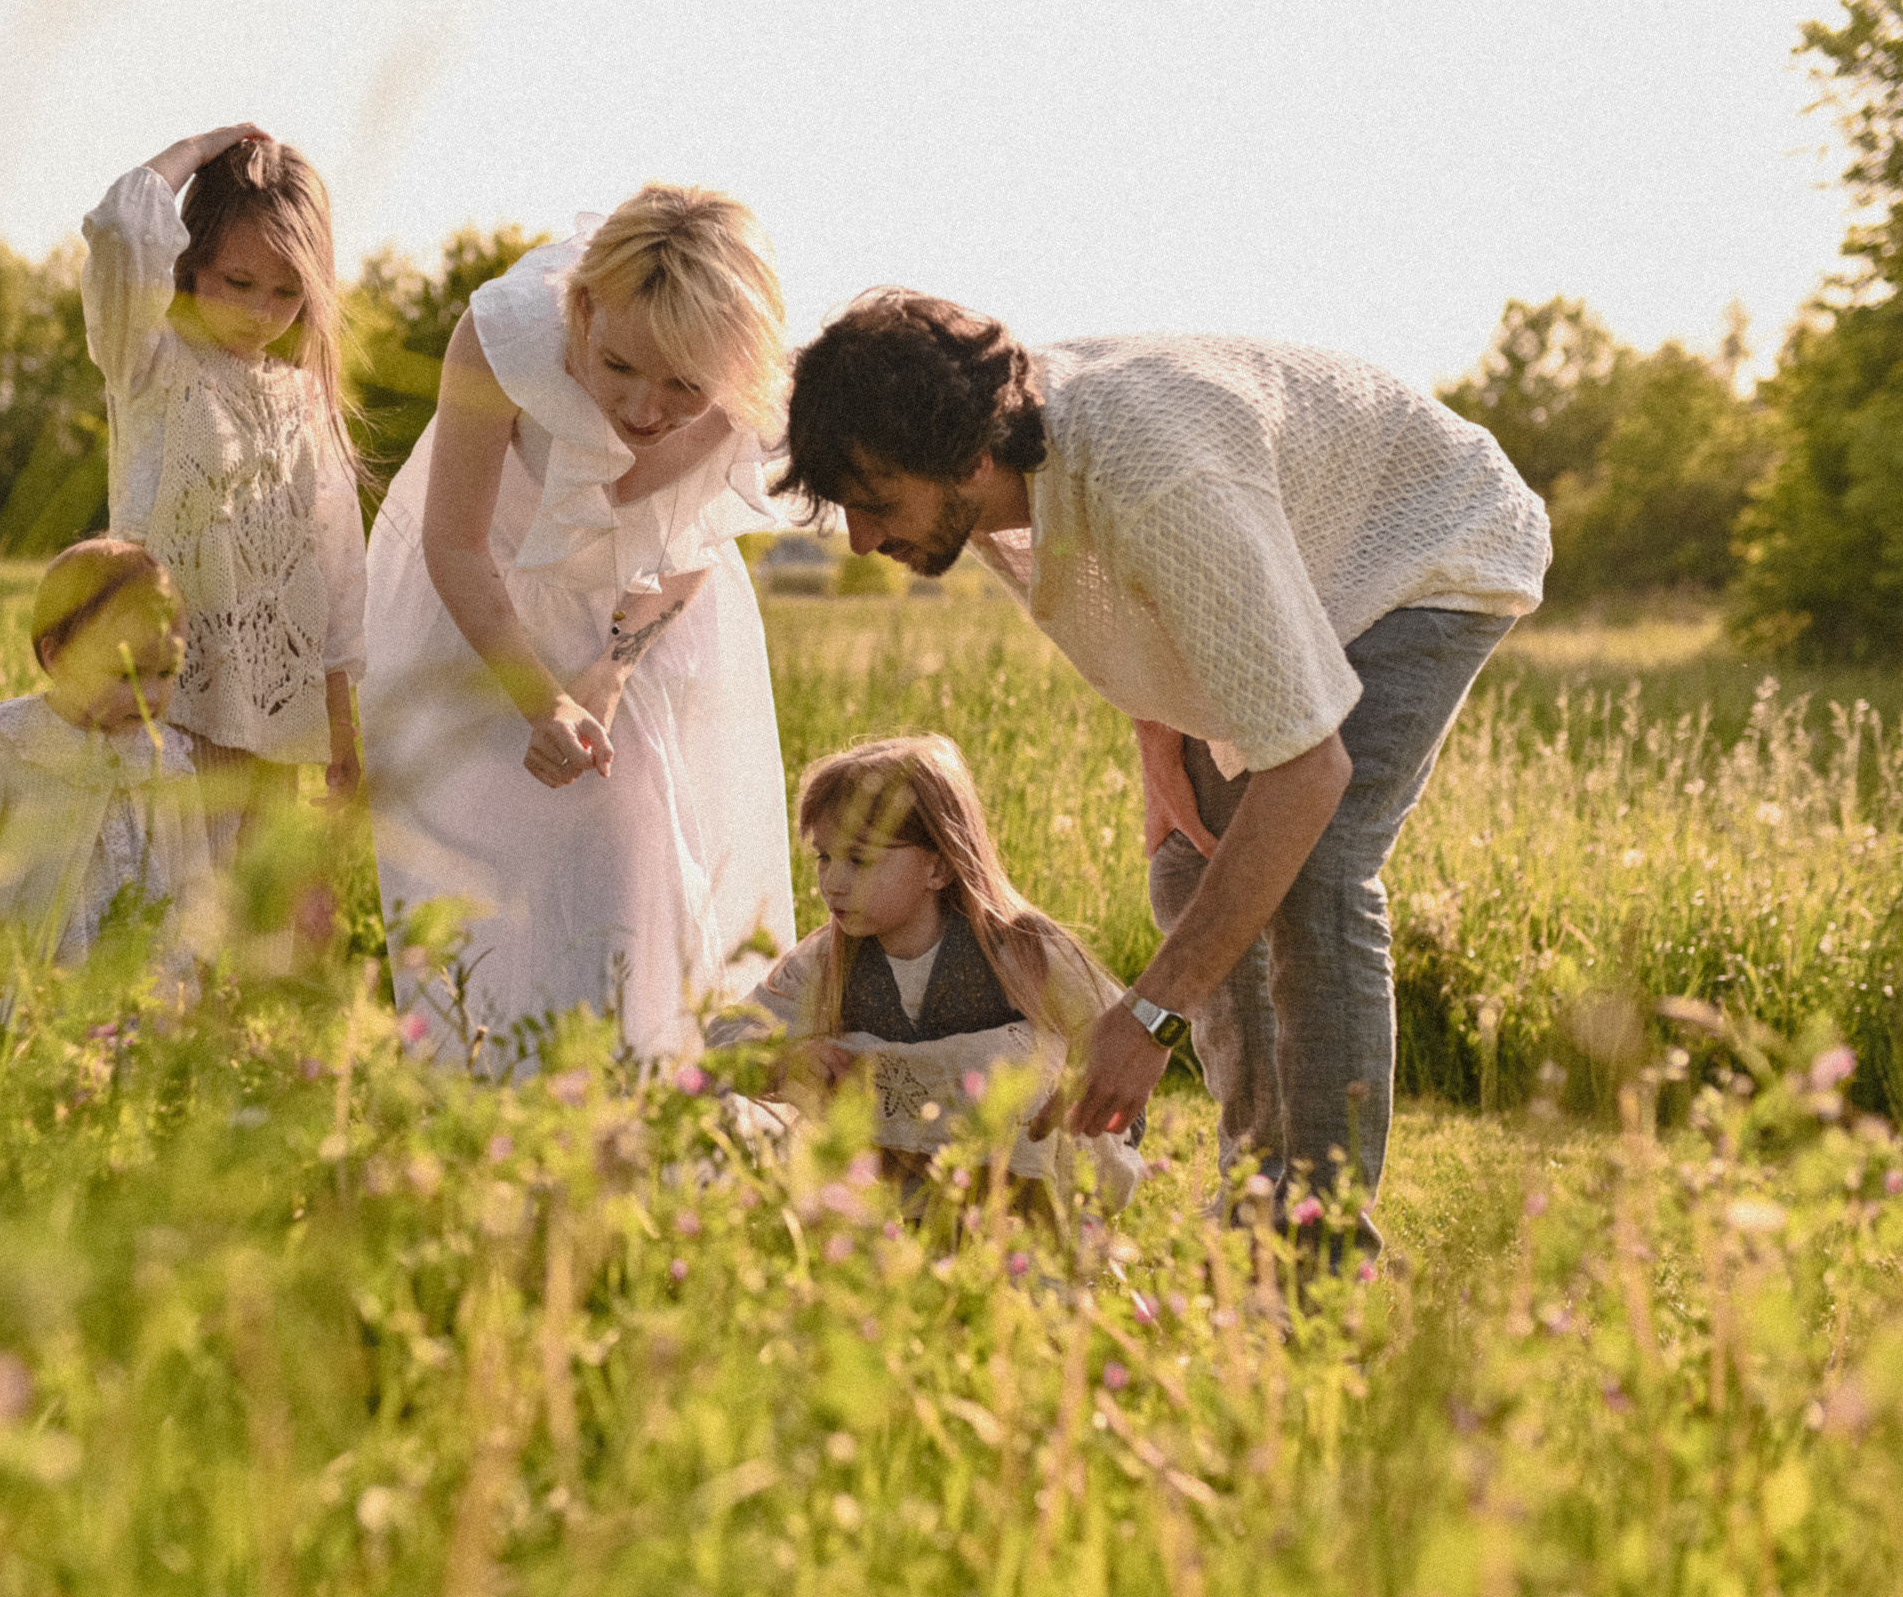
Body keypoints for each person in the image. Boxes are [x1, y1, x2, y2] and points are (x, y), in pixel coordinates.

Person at [778, 291, 1549, 1256]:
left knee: (1316, 869)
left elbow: (1310, 771)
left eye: (878, 502)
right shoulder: (1007, 474)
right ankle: (1258, 1204)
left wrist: (1148, 1016)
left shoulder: (1153, 479)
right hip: (1293, 548)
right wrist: (1165, 736)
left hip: (1424, 543)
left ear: (970, 459)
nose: (859, 539)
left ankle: (1319, 1246)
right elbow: (1147, 603)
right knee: (1191, 867)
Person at [361, 186, 796, 1071]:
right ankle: (486, 1100)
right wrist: (541, 700)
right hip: (475, 605)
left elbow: (693, 540)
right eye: (621, 366)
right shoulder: (503, 337)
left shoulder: (749, 388)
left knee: (634, 858)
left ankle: (633, 1097)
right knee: (483, 880)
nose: (645, 409)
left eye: (685, 386)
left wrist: (612, 668)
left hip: (643, 610)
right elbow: (454, 542)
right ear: (585, 309)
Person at [80, 124, 367, 878]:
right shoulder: (151, 364)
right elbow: (121, 228)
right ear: (191, 262)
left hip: (277, 719)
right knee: (167, 913)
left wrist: (341, 726)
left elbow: (335, 577)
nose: (261, 311)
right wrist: (199, 150)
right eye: (239, 283)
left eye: (287, 292)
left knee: (258, 926)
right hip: (162, 704)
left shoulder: (307, 400)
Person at [706, 736, 1145, 1218]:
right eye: (824, 857)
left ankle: (1037, 1227)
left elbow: (1121, 1037)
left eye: (859, 860)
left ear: (937, 867)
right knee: (847, 1071)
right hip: (899, 1191)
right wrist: (787, 1062)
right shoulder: (828, 959)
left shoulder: (1020, 948)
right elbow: (727, 1036)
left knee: (1018, 1061)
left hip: (1028, 1183)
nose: (832, 882)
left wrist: (1108, 1124)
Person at [0, 539, 217, 981]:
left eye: (166, 673)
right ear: (58, 656)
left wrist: (199, 954)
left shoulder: (168, 762)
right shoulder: (7, 749)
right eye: (126, 674)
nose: (151, 695)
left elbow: (194, 876)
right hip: (37, 982)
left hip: (149, 981)